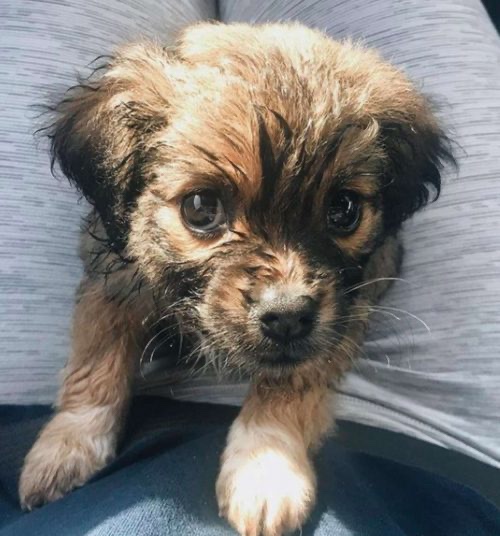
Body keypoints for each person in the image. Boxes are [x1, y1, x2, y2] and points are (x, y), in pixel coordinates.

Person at [1, 1, 499, 534]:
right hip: (430, 471)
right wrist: (87, 409)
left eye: (342, 210)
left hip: (406, 460)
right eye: (202, 208)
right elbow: (109, 286)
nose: (286, 293)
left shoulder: (390, 145)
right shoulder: (131, 143)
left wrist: (276, 429)